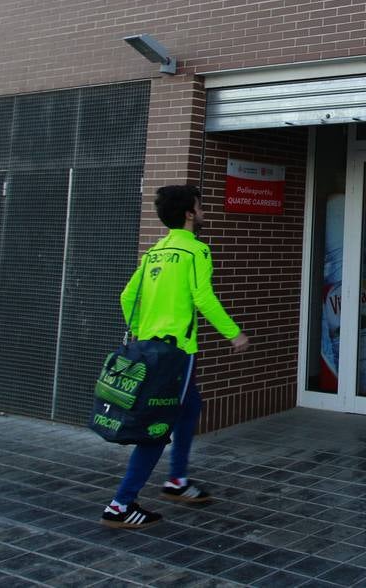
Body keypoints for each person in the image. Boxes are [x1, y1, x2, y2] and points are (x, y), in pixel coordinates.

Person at [101, 184, 250, 529]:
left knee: (190, 407)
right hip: (176, 354)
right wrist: (234, 333)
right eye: (200, 206)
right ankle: (121, 504)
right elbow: (203, 297)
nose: (204, 212)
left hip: (149, 348)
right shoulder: (196, 250)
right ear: (189, 214)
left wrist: (141, 330)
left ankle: (177, 480)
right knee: (158, 426)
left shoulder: (154, 252)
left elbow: (127, 297)